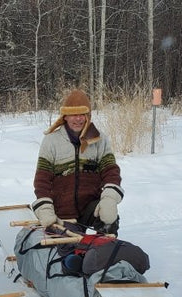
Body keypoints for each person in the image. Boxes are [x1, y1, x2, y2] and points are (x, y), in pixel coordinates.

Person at [31, 89, 123, 234]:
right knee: (67, 251)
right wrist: (44, 207)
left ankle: (104, 252)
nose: (78, 119)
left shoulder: (100, 139)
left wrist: (110, 198)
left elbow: (111, 171)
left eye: (82, 114)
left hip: (90, 207)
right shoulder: (51, 141)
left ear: (88, 116)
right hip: (62, 212)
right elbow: (42, 179)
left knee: (109, 220)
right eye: (73, 114)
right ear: (65, 117)